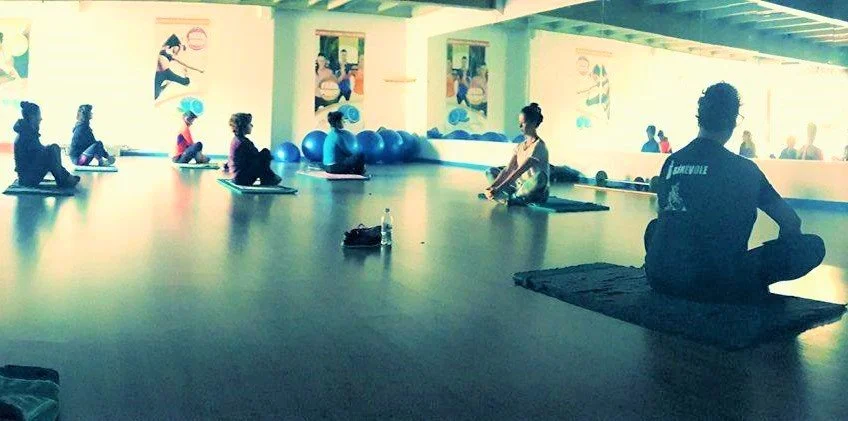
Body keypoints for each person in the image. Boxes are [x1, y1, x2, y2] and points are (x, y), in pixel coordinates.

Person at [644, 82, 825, 303]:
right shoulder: (744, 169)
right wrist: (779, 253)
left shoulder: (671, 162)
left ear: (699, 117)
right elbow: (790, 221)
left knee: (656, 229)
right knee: (812, 246)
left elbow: (666, 221)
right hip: (717, 283)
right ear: (734, 121)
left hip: (660, 277)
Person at [483, 103, 550, 205]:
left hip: (533, 189)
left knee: (540, 177)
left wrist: (499, 189)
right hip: (518, 186)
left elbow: (519, 171)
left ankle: (510, 198)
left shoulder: (539, 146)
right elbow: (508, 169)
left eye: (523, 123)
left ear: (533, 123)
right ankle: (512, 197)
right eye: (519, 123)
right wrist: (492, 187)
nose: (520, 126)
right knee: (490, 171)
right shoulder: (519, 146)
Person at [13, 101, 80, 188]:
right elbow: (39, 154)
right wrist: (50, 150)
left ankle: (64, 178)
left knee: (52, 149)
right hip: (27, 179)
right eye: (38, 115)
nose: (40, 118)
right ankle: (63, 179)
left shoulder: (27, 131)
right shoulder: (26, 134)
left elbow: (37, 153)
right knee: (53, 149)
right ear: (32, 117)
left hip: (27, 177)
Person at [225, 113, 281, 186]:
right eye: (249, 124)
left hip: (236, 177)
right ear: (243, 126)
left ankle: (270, 177)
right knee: (265, 153)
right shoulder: (244, 142)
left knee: (261, 156)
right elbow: (259, 160)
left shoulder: (236, 140)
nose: (252, 126)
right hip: (242, 179)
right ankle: (268, 179)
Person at [154, 34, 204, 100]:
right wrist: (180, 43)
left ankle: (183, 76)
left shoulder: (171, 55)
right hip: (159, 74)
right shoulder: (164, 48)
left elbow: (185, 64)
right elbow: (172, 38)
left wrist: (198, 70)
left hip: (167, 73)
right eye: (178, 47)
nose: (178, 50)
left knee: (186, 82)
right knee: (155, 94)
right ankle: (165, 85)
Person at [322, 111, 365, 175]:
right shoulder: (337, 136)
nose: (344, 122)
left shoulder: (330, 135)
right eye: (342, 120)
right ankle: (358, 173)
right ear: (337, 122)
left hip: (327, 167)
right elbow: (348, 153)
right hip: (334, 168)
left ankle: (351, 170)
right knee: (360, 155)